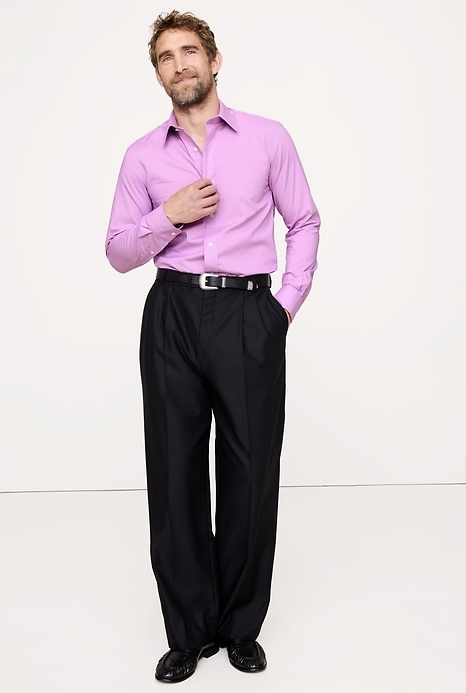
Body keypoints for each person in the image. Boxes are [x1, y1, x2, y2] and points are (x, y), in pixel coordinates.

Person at [105, 9, 320, 683]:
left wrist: (282, 309)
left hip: (249, 311)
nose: (180, 65)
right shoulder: (142, 156)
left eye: (189, 51)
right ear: (158, 74)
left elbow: (305, 220)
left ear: (214, 60)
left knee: (250, 470)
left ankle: (239, 625)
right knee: (174, 472)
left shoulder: (267, 138)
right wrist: (166, 217)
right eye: (165, 57)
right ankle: (189, 629)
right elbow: (118, 251)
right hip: (171, 310)